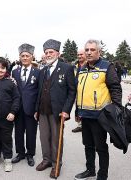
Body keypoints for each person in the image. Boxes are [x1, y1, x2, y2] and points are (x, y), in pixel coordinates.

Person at [74, 39, 122, 180]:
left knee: (100, 147)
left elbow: (115, 88)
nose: (88, 52)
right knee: (87, 145)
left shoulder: (107, 66)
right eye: (87, 50)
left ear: (99, 51)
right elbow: (80, 91)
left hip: (100, 116)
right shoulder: (82, 69)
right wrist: (77, 111)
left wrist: (117, 109)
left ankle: (102, 175)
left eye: (92, 50)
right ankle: (90, 170)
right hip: (85, 115)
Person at [35, 39, 76, 178]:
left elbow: (72, 91)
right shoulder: (43, 70)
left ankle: (56, 164)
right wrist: (36, 109)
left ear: (58, 53)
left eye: (50, 52)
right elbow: (39, 92)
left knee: (56, 138)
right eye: (46, 52)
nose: (48, 54)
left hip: (57, 111)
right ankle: (46, 160)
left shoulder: (67, 68)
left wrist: (66, 110)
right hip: (43, 110)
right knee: (44, 137)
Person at [11, 43, 40, 167]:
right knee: (18, 132)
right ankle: (20, 153)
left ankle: (30, 154)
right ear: (19, 57)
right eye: (22, 56)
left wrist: (37, 109)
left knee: (31, 132)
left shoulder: (38, 72)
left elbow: (39, 93)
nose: (25, 58)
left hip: (31, 108)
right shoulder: (15, 72)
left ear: (32, 57)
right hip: (18, 108)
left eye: (27, 55)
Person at [72, 49, 87, 133]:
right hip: (76, 91)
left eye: (81, 54)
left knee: (85, 108)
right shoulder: (75, 65)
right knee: (77, 108)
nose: (79, 56)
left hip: (85, 91)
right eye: (78, 55)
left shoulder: (88, 65)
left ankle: (86, 125)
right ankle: (80, 125)